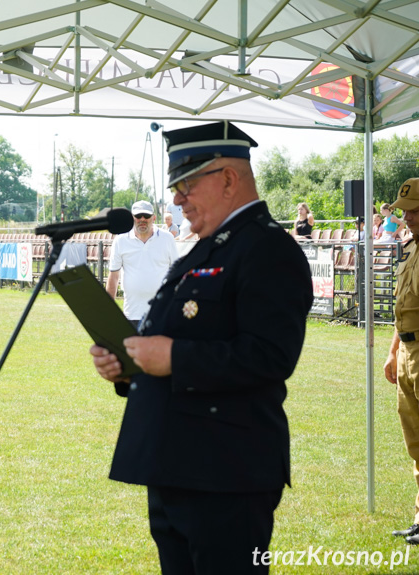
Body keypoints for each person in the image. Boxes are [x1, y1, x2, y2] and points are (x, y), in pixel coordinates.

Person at [90, 121, 313, 574]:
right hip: (176, 464)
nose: (175, 199)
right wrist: (128, 364)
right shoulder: (204, 250)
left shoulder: (268, 250)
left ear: (228, 179)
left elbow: (270, 356)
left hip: (226, 473)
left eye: (186, 184)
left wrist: (172, 358)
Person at [384, 178, 419, 545]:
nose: (407, 217)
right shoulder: (410, 250)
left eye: (415, 210)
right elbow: (403, 310)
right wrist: (393, 352)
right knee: (416, 442)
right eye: (406, 210)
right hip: (409, 354)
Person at [106, 200, 179, 324]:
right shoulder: (120, 241)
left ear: (154, 218)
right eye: (138, 216)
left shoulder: (167, 239)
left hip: (161, 313)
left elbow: (177, 274)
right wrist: (108, 311)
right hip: (132, 314)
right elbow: (113, 276)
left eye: (147, 216)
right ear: (132, 218)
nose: (142, 219)